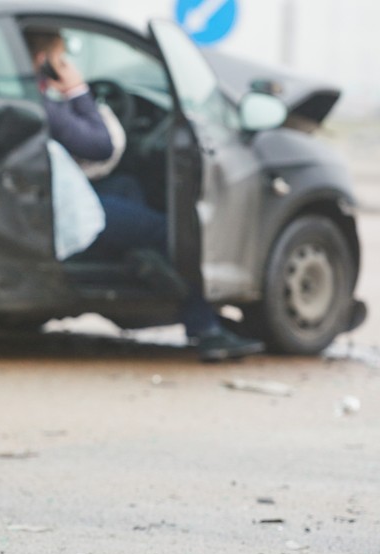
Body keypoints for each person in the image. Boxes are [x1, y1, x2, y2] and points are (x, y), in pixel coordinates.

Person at [25, 28, 264, 361]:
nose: (66, 65)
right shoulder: (42, 105)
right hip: (62, 210)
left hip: (51, 197)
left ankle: (137, 261)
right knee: (171, 232)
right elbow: (99, 145)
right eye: (61, 59)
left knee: (128, 188)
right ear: (44, 61)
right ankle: (205, 327)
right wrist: (78, 90)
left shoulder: (26, 98)